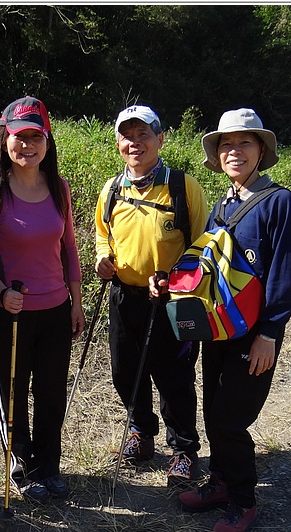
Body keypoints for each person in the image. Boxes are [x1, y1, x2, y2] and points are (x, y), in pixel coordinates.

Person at [153, 108, 291, 532]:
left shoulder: (279, 203)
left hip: (254, 335)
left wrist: (270, 334)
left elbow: (283, 274)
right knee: (214, 409)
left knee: (230, 419)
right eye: (226, 145)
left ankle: (243, 500)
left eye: (244, 143)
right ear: (217, 155)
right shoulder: (223, 203)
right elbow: (208, 266)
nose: (233, 151)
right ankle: (219, 481)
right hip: (219, 330)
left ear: (261, 151)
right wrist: (176, 286)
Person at [0, 96, 85, 503]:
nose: (27, 145)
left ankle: (48, 466)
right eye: (19, 137)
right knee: (13, 394)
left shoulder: (59, 189)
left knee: (52, 392)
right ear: (5, 140)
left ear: (48, 142)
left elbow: (68, 247)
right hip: (9, 313)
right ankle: (20, 466)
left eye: (36, 136)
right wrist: (0, 291)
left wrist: (75, 300)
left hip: (55, 309)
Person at [94, 105, 208, 487]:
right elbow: (102, 234)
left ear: (161, 139)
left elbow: (204, 245)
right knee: (125, 371)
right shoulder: (111, 190)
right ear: (118, 143)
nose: (135, 143)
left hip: (173, 299)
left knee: (174, 376)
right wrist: (103, 258)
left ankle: (184, 451)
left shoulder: (183, 186)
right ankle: (141, 434)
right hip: (125, 295)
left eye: (144, 134)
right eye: (128, 135)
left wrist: (174, 277)